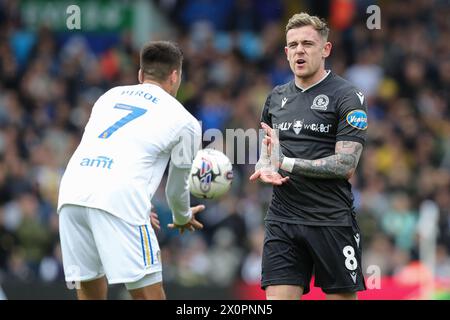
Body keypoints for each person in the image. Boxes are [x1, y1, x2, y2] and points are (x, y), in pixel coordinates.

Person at [57, 41, 204, 300]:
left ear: (140, 75)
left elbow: (112, 147)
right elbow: (175, 187)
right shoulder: (186, 122)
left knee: (89, 292)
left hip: (72, 191)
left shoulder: (109, 97)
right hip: (119, 198)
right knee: (149, 295)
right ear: (175, 76)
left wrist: (137, 202)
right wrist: (181, 216)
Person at [250, 13, 368, 300]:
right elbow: (269, 153)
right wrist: (265, 166)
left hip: (330, 219)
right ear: (286, 52)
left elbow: (346, 165)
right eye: (293, 45)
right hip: (283, 218)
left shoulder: (348, 96)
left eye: (307, 43)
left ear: (325, 49)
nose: (299, 50)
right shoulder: (275, 98)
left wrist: (285, 163)